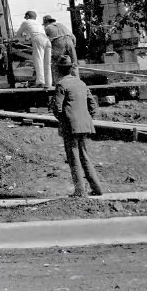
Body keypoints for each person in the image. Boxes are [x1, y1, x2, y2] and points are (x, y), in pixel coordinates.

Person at [51, 55, 104, 197]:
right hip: (84, 125)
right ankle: (97, 188)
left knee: (73, 157)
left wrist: (64, 121)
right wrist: (86, 118)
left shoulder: (61, 84)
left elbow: (57, 108)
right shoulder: (81, 83)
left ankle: (80, 191)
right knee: (84, 155)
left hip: (71, 126)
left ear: (60, 70)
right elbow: (93, 105)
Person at [15, 10, 51, 88]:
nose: (25, 18)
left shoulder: (26, 22)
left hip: (38, 39)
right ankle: (48, 83)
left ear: (27, 16)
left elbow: (18, 34)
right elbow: (32, 33)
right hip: (47, 40)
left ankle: (40, 82)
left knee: (38, 61)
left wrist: (16, 40)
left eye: (25, 17)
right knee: (47, 63)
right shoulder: (37, 24)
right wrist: (28, 37)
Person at [43, 15, 78, 80]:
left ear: (46, 22)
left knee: (55, 63)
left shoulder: (48, 28)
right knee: (74, 63)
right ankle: (76, 79)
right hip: (70, 41)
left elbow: (42, 40)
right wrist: (73, 45)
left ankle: (58, 81)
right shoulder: (62, 25)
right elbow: (73, 37)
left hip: (58, 42)